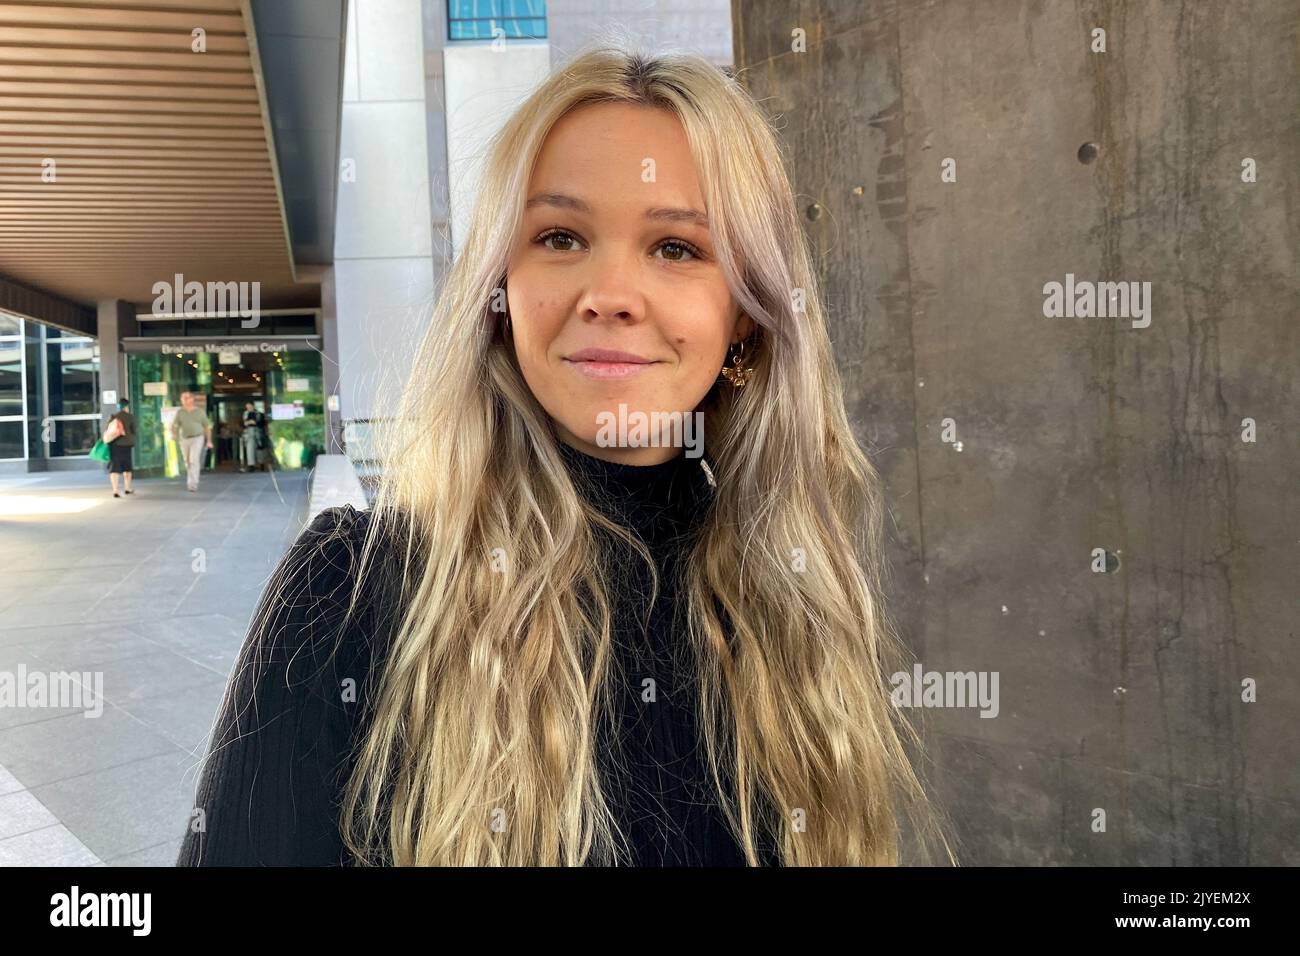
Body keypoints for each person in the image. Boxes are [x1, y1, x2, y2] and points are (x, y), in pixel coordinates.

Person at [178, 45, 954, 868]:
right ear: (499, 291)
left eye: (678, 248)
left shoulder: (801, 602)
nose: (610, 293)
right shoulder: (349, 595)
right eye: (559, 235)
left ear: (748, 314)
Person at [171, 391, 212, 492]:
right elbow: (175, 425)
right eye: (183, 398)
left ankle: (193, 483)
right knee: (188, 462)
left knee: (194, 460)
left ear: (192, 399)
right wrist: (174, 434)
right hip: (184, 439)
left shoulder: (199, 412)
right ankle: (191, 481)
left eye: (186, 398)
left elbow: (207, 426)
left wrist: (209, 441)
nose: (184, 400)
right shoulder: (180, 412)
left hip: (197, 438)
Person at [106, 397, 136, 498]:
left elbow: (108, 430)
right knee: (127, 467)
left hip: (114, 445)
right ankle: (127, 488)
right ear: (127, 406)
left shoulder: (113, 416)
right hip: (126, 445)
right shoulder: (130, 417)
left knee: (114, 468)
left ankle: (115, 490)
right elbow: (134, 430)